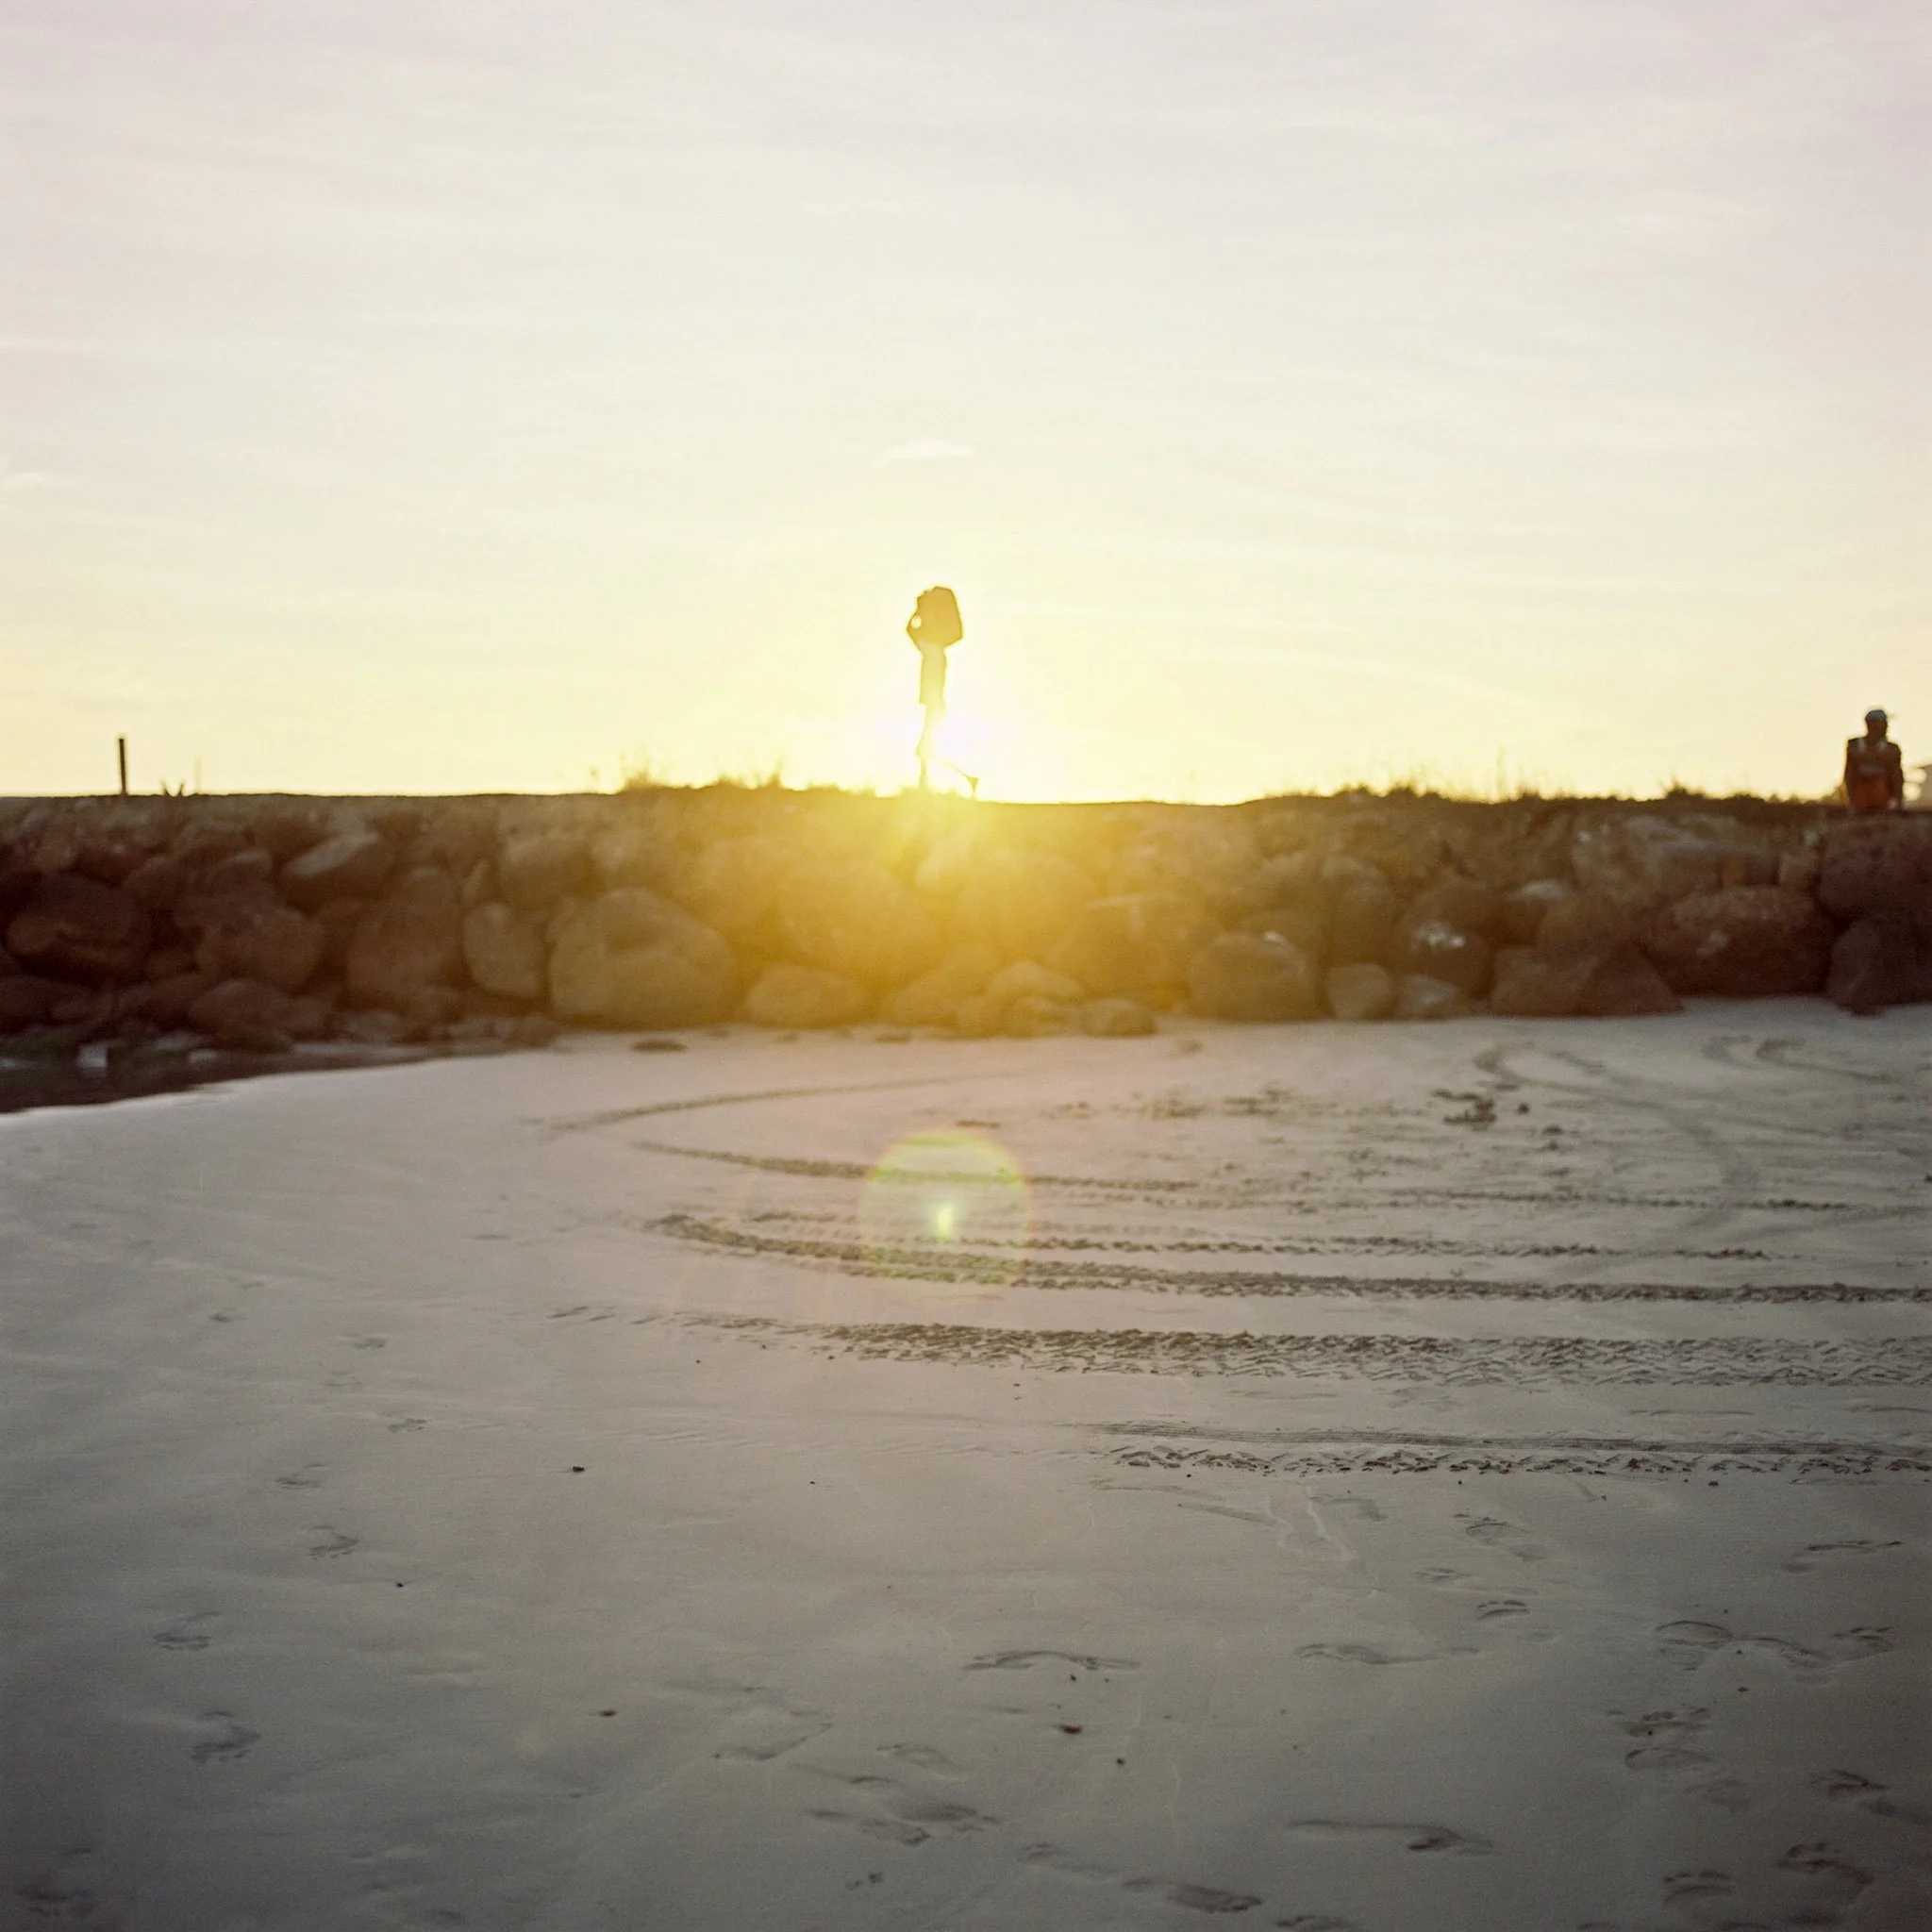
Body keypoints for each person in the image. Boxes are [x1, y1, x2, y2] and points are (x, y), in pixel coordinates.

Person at [906, 586, 963, 791]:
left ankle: (925, 782)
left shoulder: (931, 649)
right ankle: (925, 781)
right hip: (935, 703)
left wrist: (918, 612)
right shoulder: (936, 650)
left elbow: (910, 630)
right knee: (926, 748)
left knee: (925, 748)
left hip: (934, 702)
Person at [1843, 709, 1905, 813]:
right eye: (1883, 722)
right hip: (1861, 796)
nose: (1886, 726)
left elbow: (1897, 775)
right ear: (1871, 724)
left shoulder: (1891, 748)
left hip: (1883, 796)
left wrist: (1898, 800)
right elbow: (1849, 773)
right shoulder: (1855, 745)